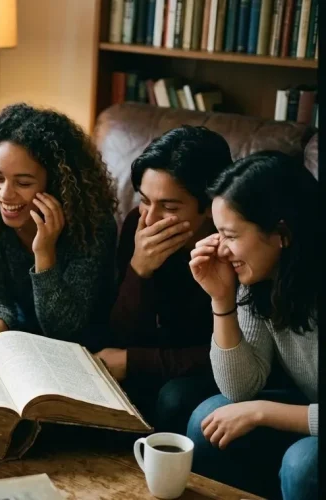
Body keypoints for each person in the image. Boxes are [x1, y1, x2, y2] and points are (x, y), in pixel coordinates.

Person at [186, 151, 318, 499]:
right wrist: (222, 300)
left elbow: (251, 403)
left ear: (281, 234)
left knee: (303, 464)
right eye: (218, 234)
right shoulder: (260, 278)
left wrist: (261, 412)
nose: (220, 249)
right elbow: (239, 389)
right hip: (309, 406)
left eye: (230, 235)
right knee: (209, 418)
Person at [97, 126, 232, 433]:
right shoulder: (137, 224)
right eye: (145, 200)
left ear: (210, 207)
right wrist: (139, 269)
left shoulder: (234, 246)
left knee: (174, 397)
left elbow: (226, 355)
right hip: (159, 355)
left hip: (217, 370)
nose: (150, 218)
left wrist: (135, 362)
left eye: (169, 207)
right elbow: (122, 334)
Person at [0, 103, 118, 351]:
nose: (5, 194)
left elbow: (63, 328)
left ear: (56, 185)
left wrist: (45, 253)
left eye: (24, 182)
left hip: (82, 346)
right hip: (19, 334)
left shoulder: (93, 226)